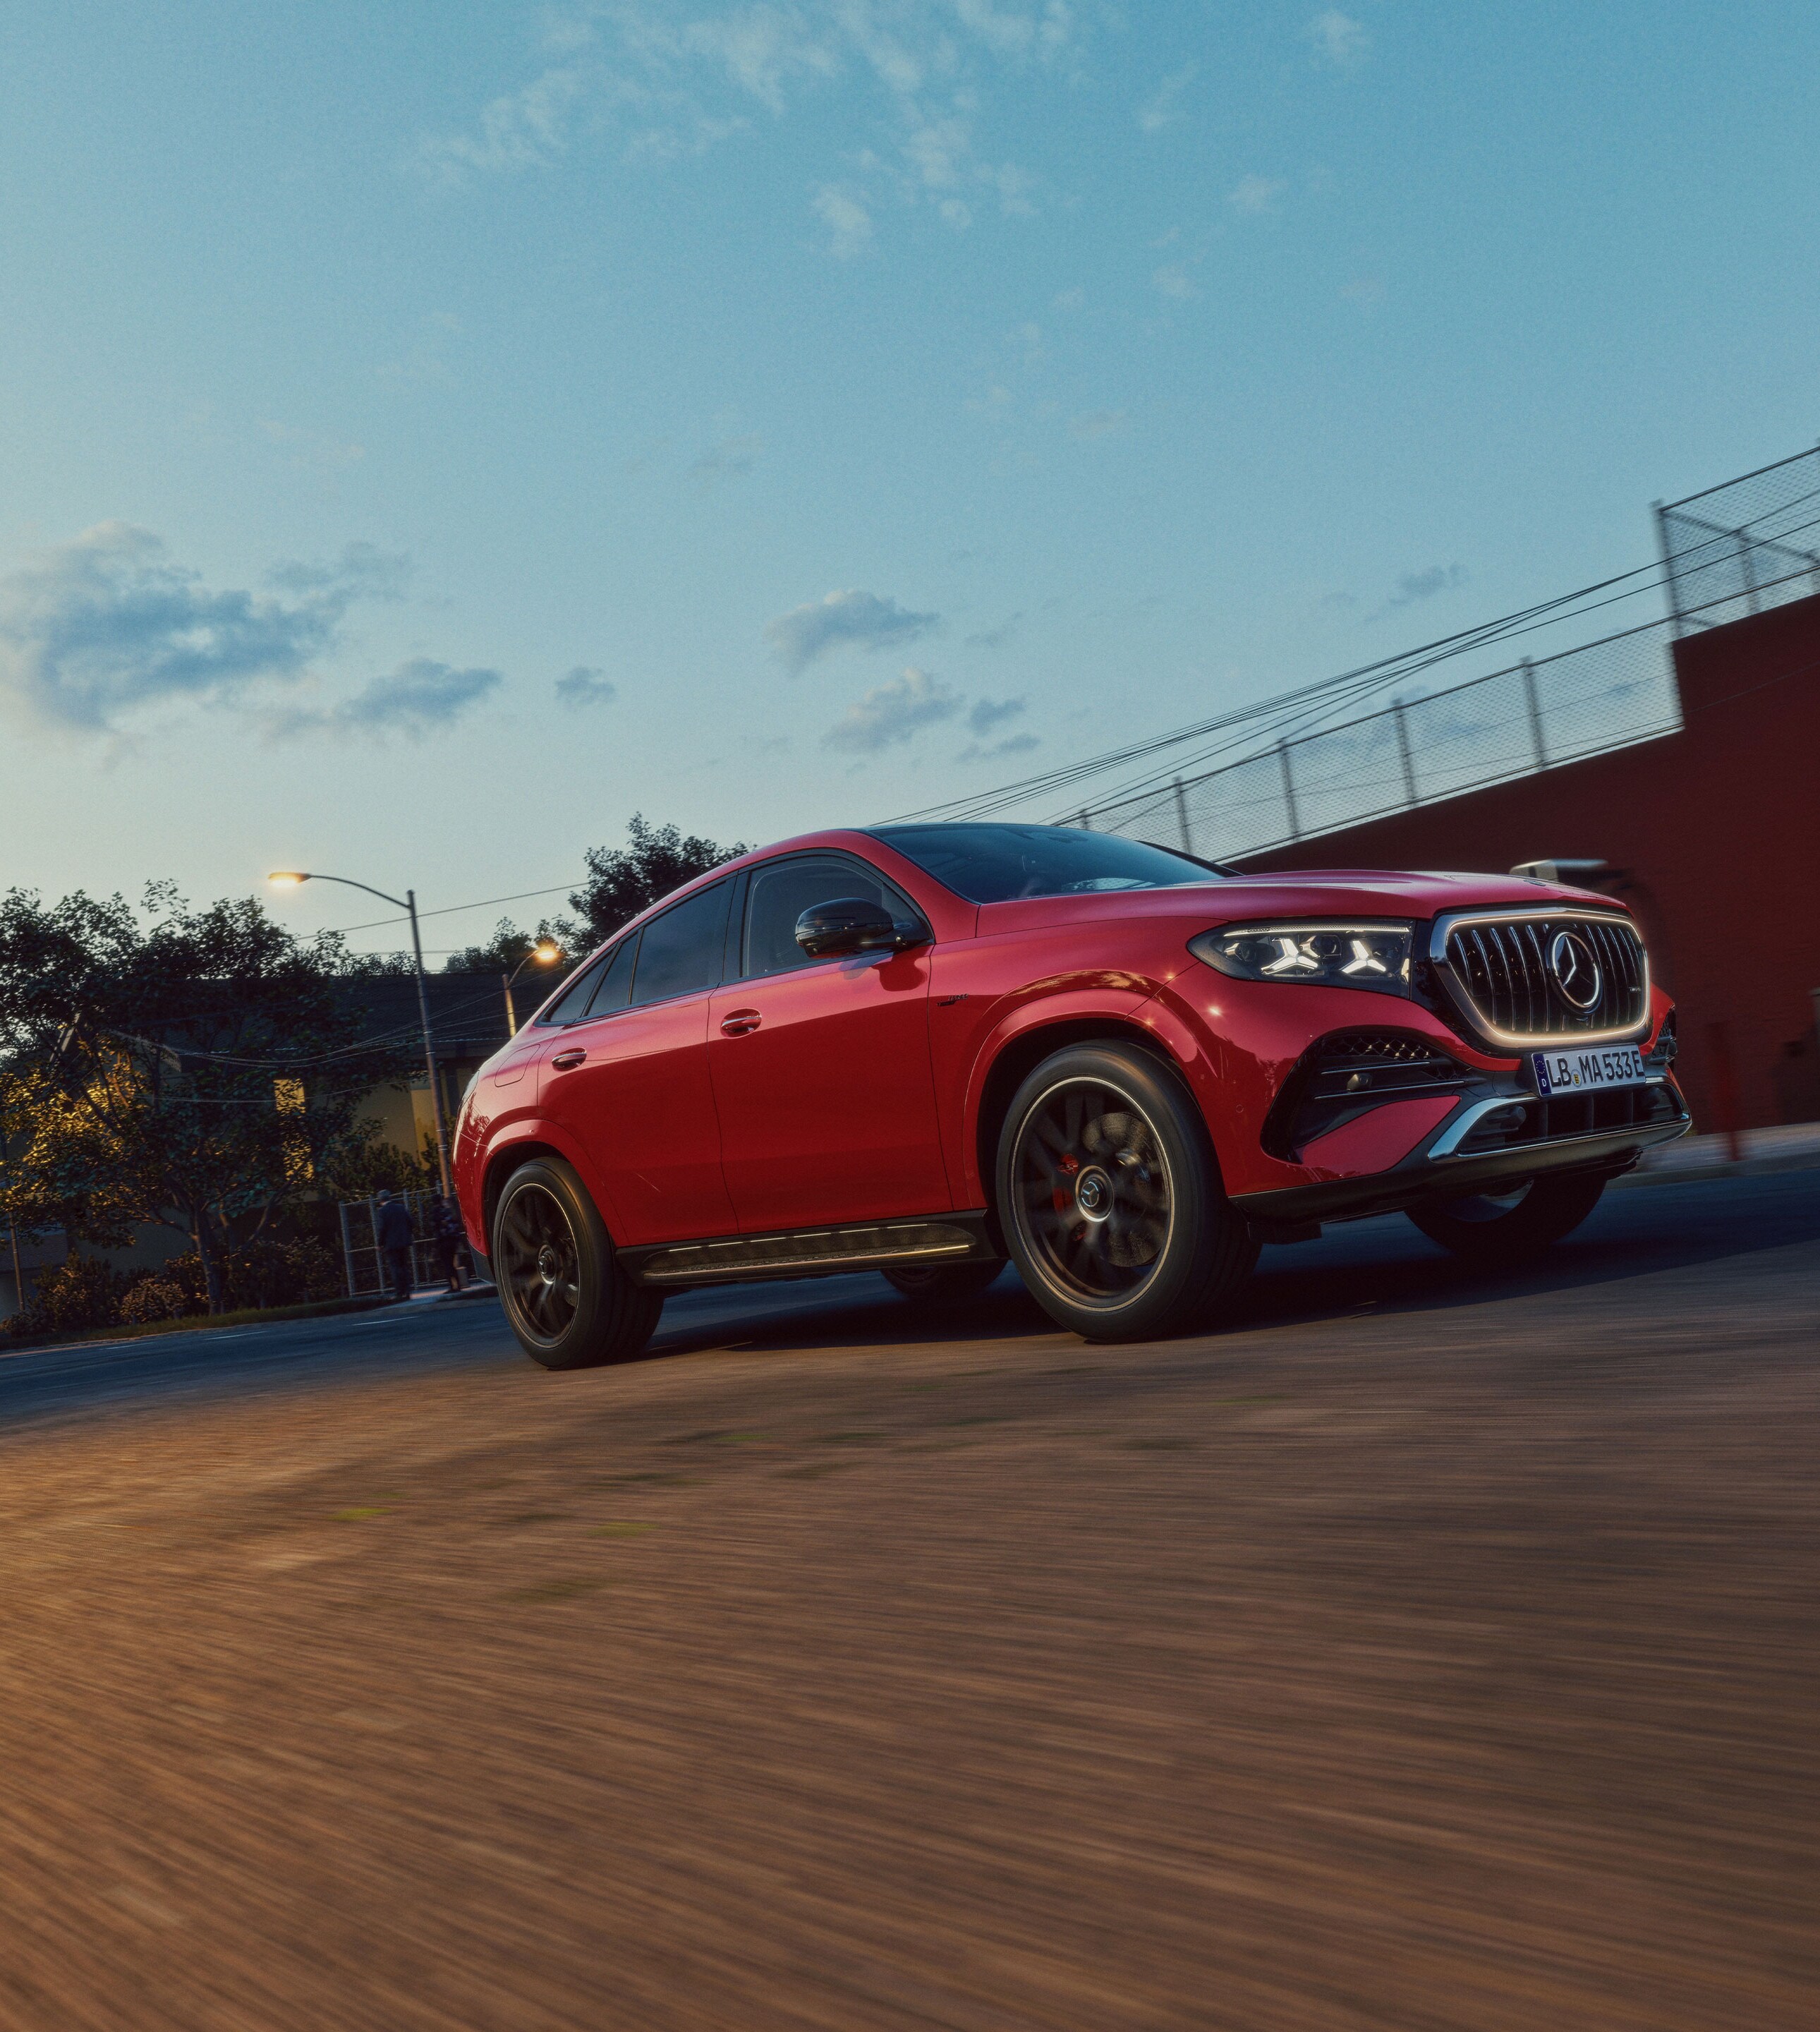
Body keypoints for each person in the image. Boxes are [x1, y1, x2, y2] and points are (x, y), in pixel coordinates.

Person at [374, 1189, 415, 1302]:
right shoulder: (400, 1207)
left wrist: (379, 1243)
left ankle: (399, 1292)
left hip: (390, 1244)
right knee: (404, 1266)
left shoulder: (382, 1211)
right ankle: (407, 1291)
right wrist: (406, 1235)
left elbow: (382, 1228)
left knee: (395, 1268)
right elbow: (411, 1222)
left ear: (380, 1200)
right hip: (403, 1242)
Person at [432, 1192, 466, 1294]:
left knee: (447, 1264)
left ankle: (452, 1286)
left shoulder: (435, 1212)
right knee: (451, 1263)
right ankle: (458, 1285)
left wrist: (435, 1245)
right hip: (453, 1240)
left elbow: (436, 1228)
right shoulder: (447, 1211)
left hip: (443, 1241)